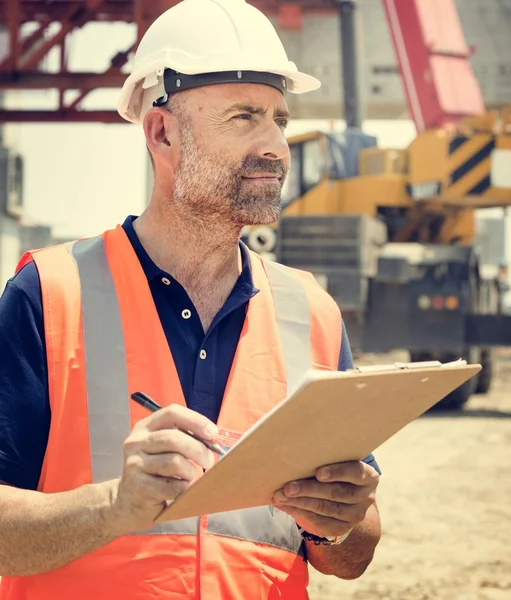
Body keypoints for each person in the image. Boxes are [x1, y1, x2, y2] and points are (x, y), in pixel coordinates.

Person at [0, 0, 382, 598]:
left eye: (279, 120)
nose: (276, 147)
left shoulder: (312, 312)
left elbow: (352, 556)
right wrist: (113, 506)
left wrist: (343, 524)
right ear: (162, 132)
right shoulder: (48, 295)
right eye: (244, 118)